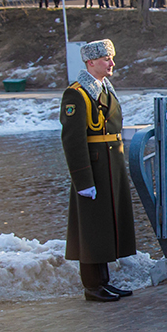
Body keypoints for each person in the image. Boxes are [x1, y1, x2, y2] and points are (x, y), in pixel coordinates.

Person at [60, 39, 137, 302]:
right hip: (93, 167)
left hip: (110, 164)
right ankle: (92, 286)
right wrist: (83, 179)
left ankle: (104, 281)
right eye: (106, 59)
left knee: (105, 225)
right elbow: (73, 140)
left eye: (112, 58)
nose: (112, 63)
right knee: (92, 228)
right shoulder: (77, 93)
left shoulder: (104, 87)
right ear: (91, 62)